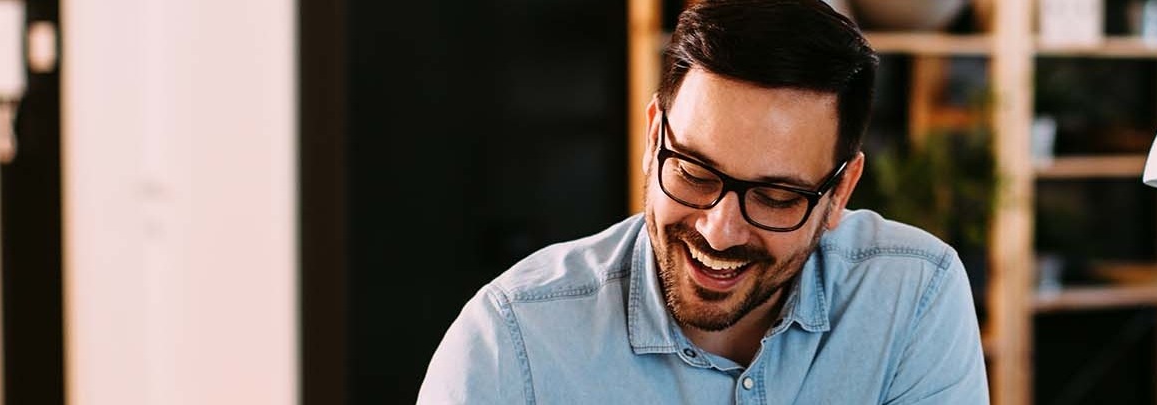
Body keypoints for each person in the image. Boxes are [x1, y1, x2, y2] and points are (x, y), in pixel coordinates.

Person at [417, 1, 987, 403]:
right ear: (652, 140)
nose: (719, 230)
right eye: (693, 171)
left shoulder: (913, 295)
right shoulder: (510, 343)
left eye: (776, 195)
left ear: (839, 192)